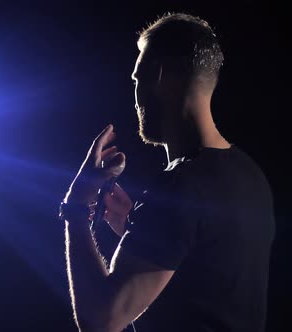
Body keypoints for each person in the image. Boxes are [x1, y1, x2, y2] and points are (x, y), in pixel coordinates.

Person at [59, 12, 275, 332]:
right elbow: (204, 278)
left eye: (137, 78)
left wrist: (76, 206)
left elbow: (101, 319)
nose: (134, 95)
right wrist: (134, 227)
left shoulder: (184, 186)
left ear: (161, 77)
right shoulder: (248, 174)